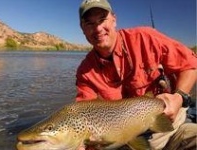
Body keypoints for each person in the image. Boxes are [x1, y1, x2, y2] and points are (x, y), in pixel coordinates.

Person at [76, 0, 197, 150]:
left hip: (173, 128)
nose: (98, 28)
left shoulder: (146, 37)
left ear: (114, 19)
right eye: (89, 23)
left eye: (102, 19)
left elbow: (191, 63)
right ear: (82, 28)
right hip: (126, 143)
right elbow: (82, 113)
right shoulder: (85, 73)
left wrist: (179, 97)